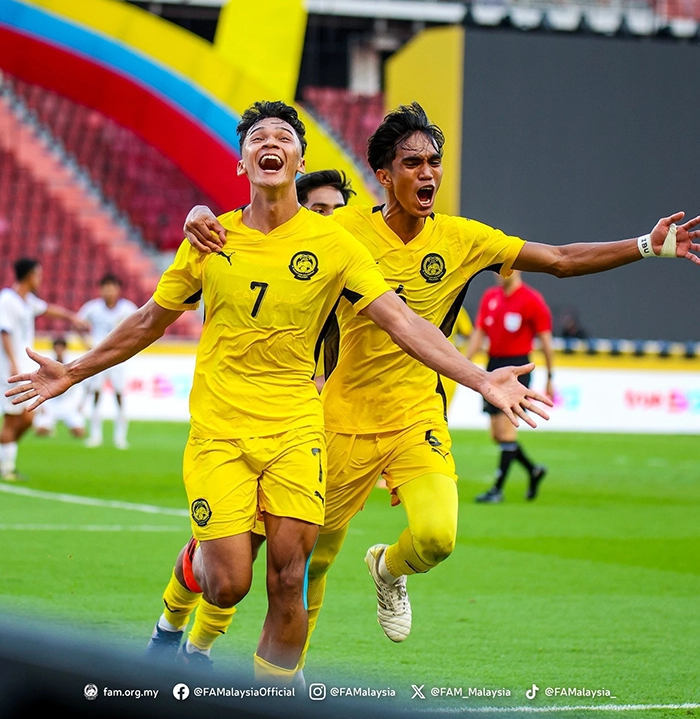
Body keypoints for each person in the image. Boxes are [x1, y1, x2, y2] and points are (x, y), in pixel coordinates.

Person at [6, 101, 547, 684]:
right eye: (257, 137)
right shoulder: (211, 239)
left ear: (298, 158)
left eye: (283, 136)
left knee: (291, 578)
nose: (270, 143)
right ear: (242, 161)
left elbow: (403, 321)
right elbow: (148, 321)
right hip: (220, 430)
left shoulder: (336, 244)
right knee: (229, 581)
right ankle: (175, 628)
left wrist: (479, 376)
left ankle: (268, 700)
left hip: (296, 431)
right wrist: (73, 370)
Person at [181, 101, 699, 668]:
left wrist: (647, 246)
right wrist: (201, 215)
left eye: (434, 162)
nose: (427, 173)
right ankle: (278, 674)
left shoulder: (463, 239)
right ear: (384, 176)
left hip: (417, 418)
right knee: (305, 567)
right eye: (412, 162)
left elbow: (559, 259)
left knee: (437, 538)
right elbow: (272, 226)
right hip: (338, 420)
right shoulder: (343, 232)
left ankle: (387, 568)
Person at [466, 271, 554, 503]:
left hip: (517, 368)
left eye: (505, 269)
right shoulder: (490, 297)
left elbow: (546, 340)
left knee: (506, 432)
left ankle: (497, 490)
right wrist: (463, 362)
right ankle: (534, 470)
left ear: (518, 270)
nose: (499, 274)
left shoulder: (531, 300)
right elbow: (479, 333)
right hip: (493, 367)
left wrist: (550, 376)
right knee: (497, 434)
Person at [0, 258, 87, 480]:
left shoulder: (27, 301)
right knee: (14, 419)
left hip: (23, 367)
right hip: (10, 369)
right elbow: (4, 332)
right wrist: (11, 363)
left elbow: (48, 309)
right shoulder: (7, 300)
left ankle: (6, 459)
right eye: (38, 274)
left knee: (28, 418)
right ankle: (6, 467)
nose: (40, 279)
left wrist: (72, 317)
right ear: (29, 275)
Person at [78, 275, 138, 449]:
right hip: (97, 356)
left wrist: (128, 347)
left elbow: (139, 327)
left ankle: (120, 436)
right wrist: (87, 345)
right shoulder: (93, 308)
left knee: (119, 394)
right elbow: (78, 324)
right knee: (96, 394)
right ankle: (95, 435)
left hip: (118, 357)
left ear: (118, 289)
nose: (108, 291)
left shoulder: (127, 308)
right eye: (105, 287)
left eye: (111, 287)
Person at [33, 337, 87, 439]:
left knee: (79, 433)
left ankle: (64, 426)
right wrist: (41, 405)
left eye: (61, 348)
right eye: (57, 348)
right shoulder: (46, 364)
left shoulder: (73, 363)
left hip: (69, 403)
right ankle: (50, 428)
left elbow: (81, 386)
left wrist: (80, 403)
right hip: (51, 402)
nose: (59, 350)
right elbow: (40, 385)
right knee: (40, 431)